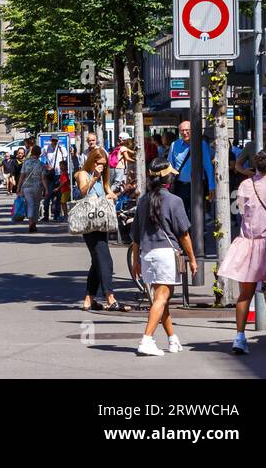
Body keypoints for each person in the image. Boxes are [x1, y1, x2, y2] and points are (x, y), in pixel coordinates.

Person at [217, 148, 266, 354]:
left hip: (248, 243)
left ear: (255, 166)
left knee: (245, 294)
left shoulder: (245, 185)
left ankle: (239, 337)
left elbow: (241, 210)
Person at [130, 158, 197, 356]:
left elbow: (135, 236)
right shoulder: (174, 201)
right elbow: (184, 234)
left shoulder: (143, 200)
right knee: (162, 298)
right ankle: (147, 339)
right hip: (166, 254)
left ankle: (172, 338)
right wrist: (192, 259)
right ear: (168, 178)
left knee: (160, 300)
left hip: (147, 254)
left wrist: (135, 261)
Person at [76, 147, 128, 312]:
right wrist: (94, 177)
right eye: (99, 164)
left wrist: (115, 194)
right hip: (90, 223)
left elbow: (108, 193)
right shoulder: (83, 174)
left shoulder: (102, 179)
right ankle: (110, 298)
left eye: (104, 165)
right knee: (106, 261)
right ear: (92, 161)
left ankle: (88, 300)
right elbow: (83, 191)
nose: (102, 167)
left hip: (102, 222)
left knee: (97, 262)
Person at [169, 121, 215, 217]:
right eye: (182, 130)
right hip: (180, 186)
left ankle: (198, 232)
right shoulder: (174, 145)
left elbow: (208, 167)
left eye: (187, 130)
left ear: (192, 130)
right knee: (180, 214)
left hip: (197, 186)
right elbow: (170, 166)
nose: (185, 133)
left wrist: (211, 186)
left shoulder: (201, 144)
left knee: (197, 215)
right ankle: (185, 232)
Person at [18, 147, 45, 233]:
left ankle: (30, 222)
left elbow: (22, 175)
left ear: (32, 153)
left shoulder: (26, 163)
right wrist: (46, 189)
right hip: (37, 187)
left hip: (27, 187)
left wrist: (18, 186)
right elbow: (43, 178)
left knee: (29, 204)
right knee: (36, 205)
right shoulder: (41, 164)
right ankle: (34, 224)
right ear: (39, 153)